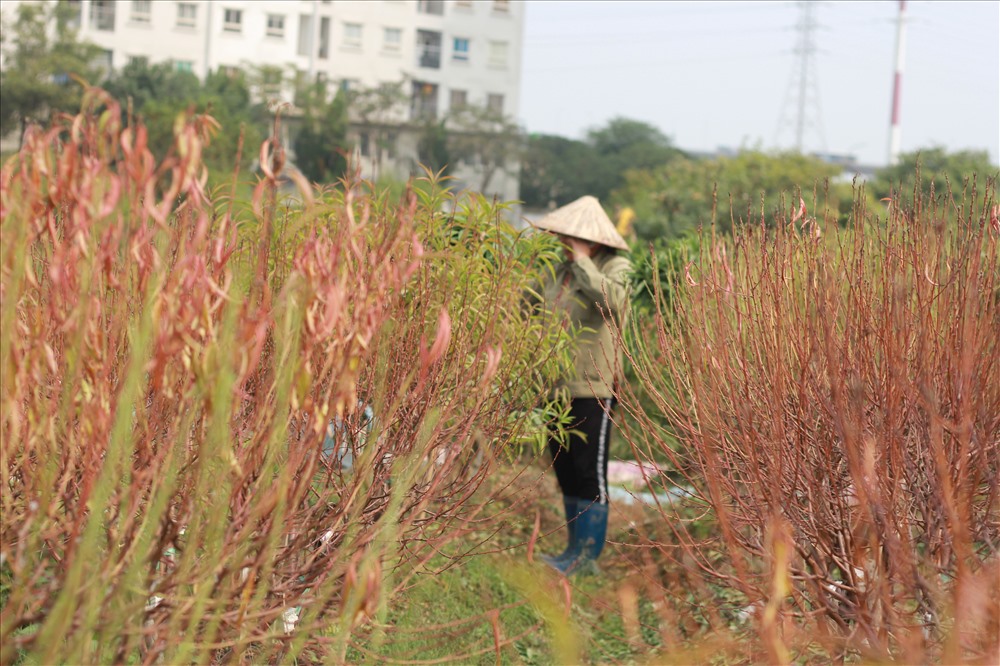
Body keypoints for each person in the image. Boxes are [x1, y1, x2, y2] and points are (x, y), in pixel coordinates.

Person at [528, 195, 632, 575]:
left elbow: (613, 302)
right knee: (566, 470)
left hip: (593, 387)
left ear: (588, 239)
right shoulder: (558, 271)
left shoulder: (615, 266)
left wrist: (584, 260)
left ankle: (587, 560)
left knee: (590, 473)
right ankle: (573, 551)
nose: (563, 242)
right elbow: (529, 307)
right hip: (554, 388)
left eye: (570, 237)